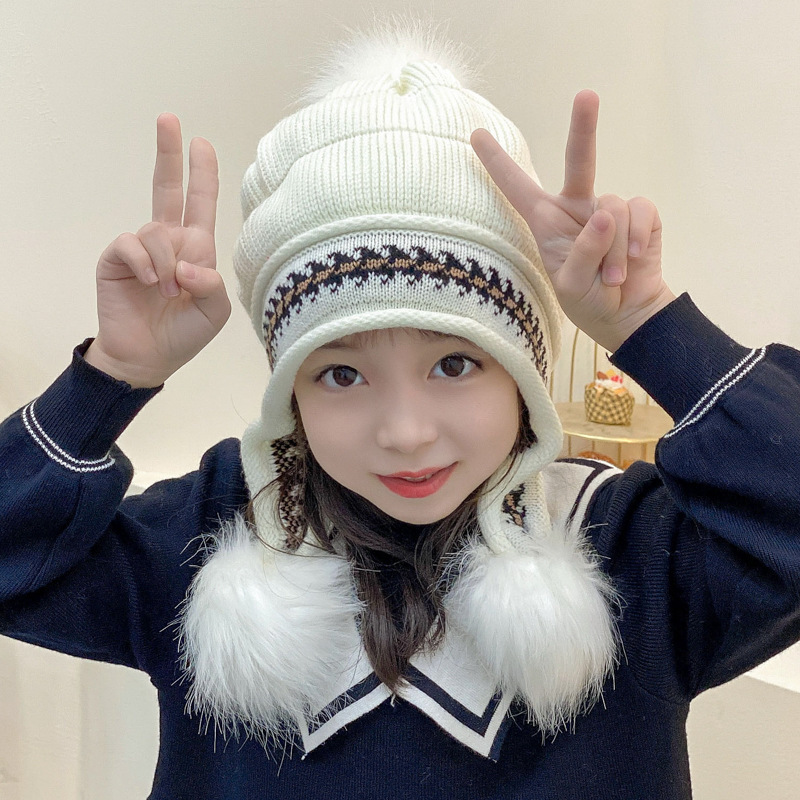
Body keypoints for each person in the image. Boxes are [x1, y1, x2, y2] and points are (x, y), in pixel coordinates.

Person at [1, 25, 799, 800]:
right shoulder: (209, 537)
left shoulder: (630, 554)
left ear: (522, 375)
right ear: (290, 393)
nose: (405, 432)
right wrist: (113, 376)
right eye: (341, 374)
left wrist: (650, 325)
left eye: (455, 364)